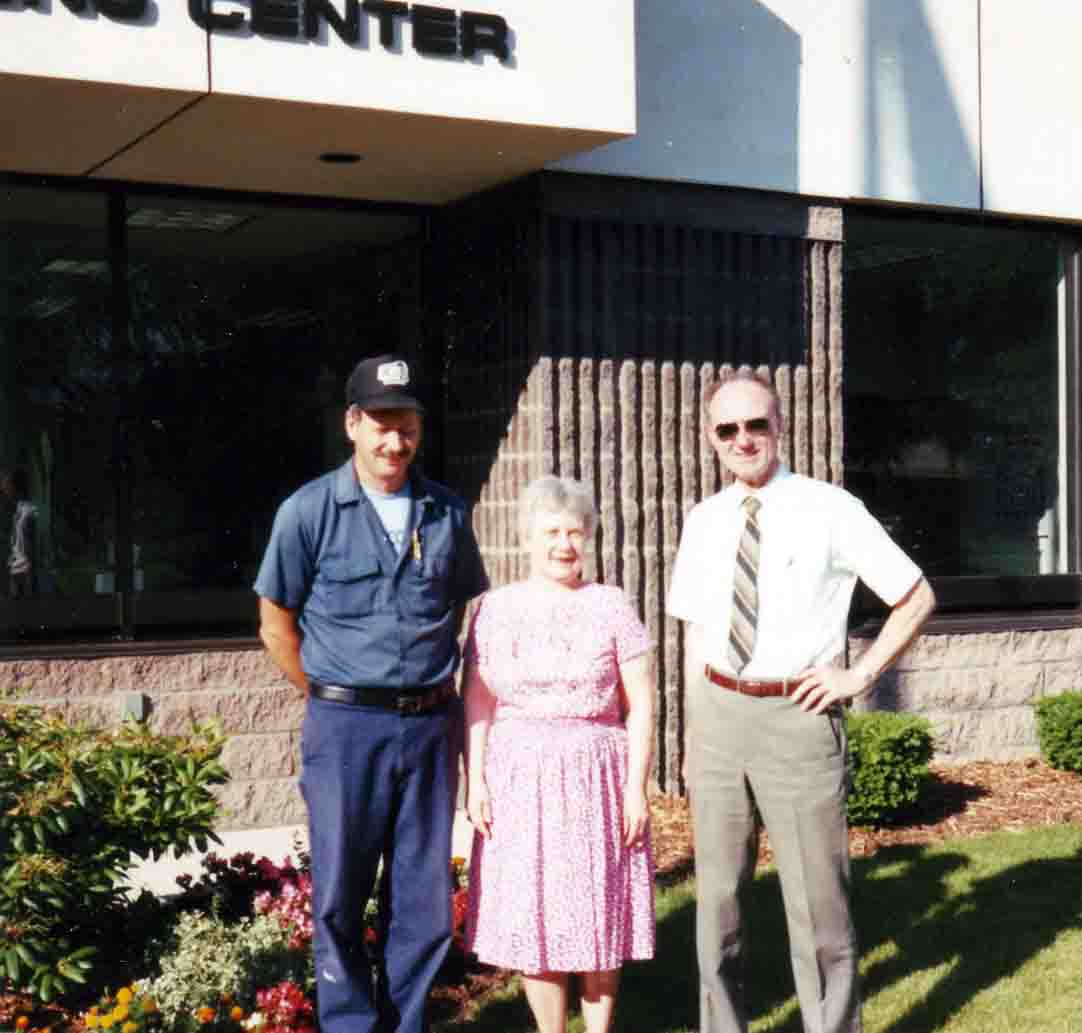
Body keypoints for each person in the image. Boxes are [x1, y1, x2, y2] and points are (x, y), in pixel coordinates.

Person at [667, 370, 936, 1033]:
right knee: (718, 909)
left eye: (756, 424)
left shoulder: (829, 508)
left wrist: (862, 672)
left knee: (819, 913)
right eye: (728, 429)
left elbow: (916, 594)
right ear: (711, 438)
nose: (743, 438)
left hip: (798, 719)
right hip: (720, 722)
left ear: (779, 426)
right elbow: (695, 634)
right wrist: (695, 734)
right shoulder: (703, 521)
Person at [253, 353, 488, 1033]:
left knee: (422, 899)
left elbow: (470, 611)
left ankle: (405, 1023)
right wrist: (333, 693)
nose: (395, 440)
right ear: (352, 423)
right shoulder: (308, 511)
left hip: (428, 727)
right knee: (339, 894)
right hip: (345, 729)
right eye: (382, 423)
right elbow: (275, 624)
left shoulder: (446, 512)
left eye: (407, 424)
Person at [462, 475, 656, 1033]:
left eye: (575, 532)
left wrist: (635, 787)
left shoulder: (611, 604)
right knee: (535, 911)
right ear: (528, 537)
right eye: (552, 531)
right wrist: (475, 781)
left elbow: (640, 703)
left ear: (589, 538)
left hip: (598, 773)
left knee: (596, 908)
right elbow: (476, 702)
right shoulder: (495, 610)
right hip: (519, 776)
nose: (564, 544)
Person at [2, 468, 38, 598]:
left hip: (22, 577)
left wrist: (27, 582)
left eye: (6, 484)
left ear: (14, 487)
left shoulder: (25, 511)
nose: (3, 488)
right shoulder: (20, 509)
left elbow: (27, 546)